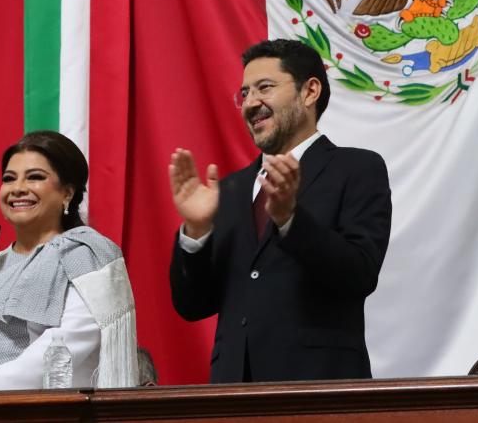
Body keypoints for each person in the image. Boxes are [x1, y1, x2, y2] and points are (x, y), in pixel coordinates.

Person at [168, 39, 392, 383]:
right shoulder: (228, 190)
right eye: (243, 93)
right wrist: (196, 233)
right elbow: (192, 305)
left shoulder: (357, 168)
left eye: (264, 88)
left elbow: (360, 273)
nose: (250, 103)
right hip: (233, 395)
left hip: (319, 391)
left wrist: (290, 220)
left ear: (310, 91)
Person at [0, 131, 139, 391]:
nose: (18, 188)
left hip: (42, 406)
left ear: (67, 193)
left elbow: (70, 340)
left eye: (35, 177)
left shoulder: (85, 253)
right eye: (9, 179)